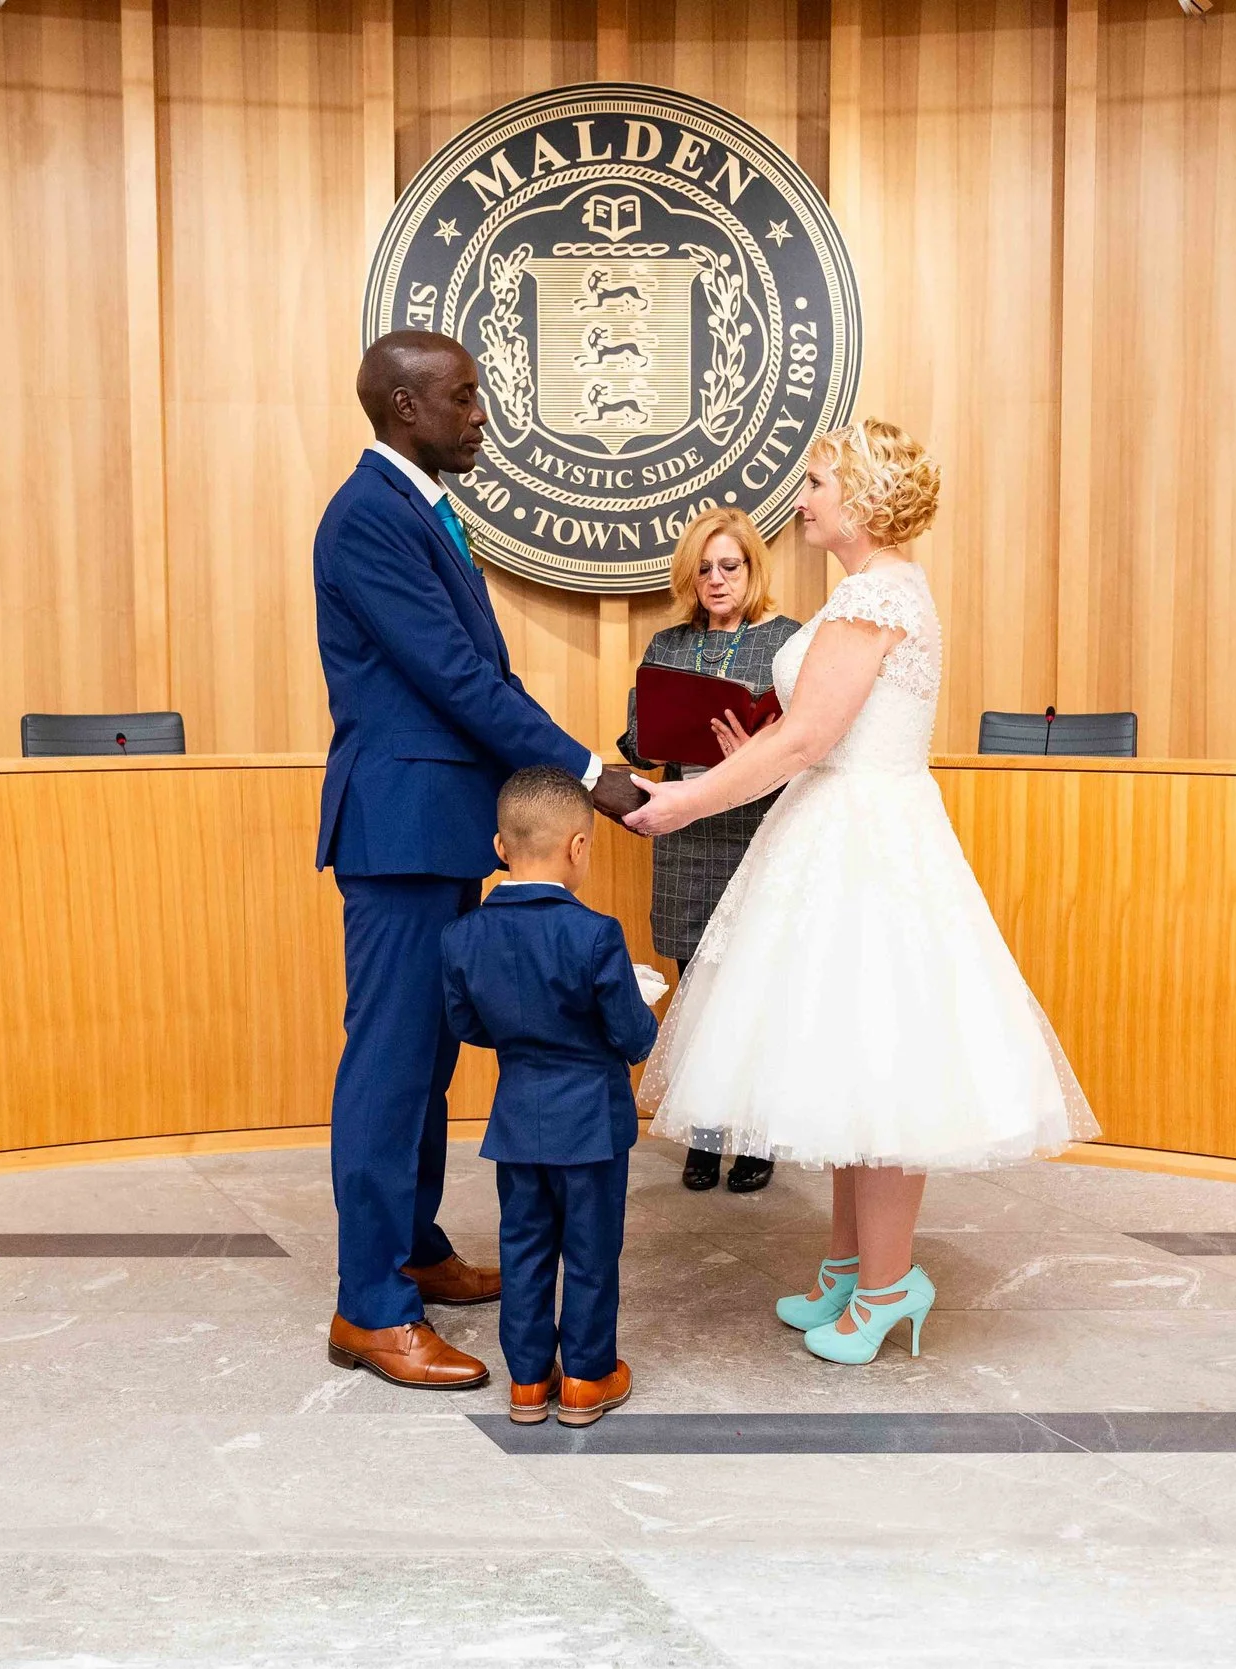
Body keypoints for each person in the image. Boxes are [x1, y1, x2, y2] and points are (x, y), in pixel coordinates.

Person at [625, 418, 1100, 1365]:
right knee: (844, 1061)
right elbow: (805, 732)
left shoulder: (874, 594)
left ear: (866, 495)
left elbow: (807, 739)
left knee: (879, 1065)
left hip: (864, 842)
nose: (801, 499)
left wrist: (682, 802)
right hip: (841, 822)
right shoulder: (877, 589)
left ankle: (887, 1288)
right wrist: (748, 759)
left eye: (816, 482)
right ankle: (847, 1268)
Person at [314, 330, 645, 1391]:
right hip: (399, 830)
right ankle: (370, 1306)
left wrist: (580, 766)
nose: (480, 415)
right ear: (404, 408)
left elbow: (476, 678)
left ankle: (413, 1250)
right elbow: (457, 680)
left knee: (425, 1062)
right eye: (462, 398)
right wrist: (586, 773)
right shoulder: (369, 515)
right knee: (389, 1064)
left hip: (436, 826)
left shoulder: (417, 509)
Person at [441, 767, 661, 1427]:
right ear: (578, 846)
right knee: (590, 1254)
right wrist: (639, 1000)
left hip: (517, 1123)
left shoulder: (462, 936)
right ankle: (588, 1378)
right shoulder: (596, 934)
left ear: (500, 847)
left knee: (524, 1249)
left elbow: (466, 1024)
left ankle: (529, 1381)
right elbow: (633, 1037)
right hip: (591, 1126)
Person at [616, 507, 802, 1194]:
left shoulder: (786, 640)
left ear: (752, 568)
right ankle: (704, 1133)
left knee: (756, 990)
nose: (717, 580)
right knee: (695, 985)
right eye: (704, 569)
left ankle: (755, 1135)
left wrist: (757, 752)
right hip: (686, 838)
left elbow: (810, 742)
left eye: (730, 566)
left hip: (758, 831)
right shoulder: (666, 644)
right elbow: (639, 744)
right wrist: (651, 734)